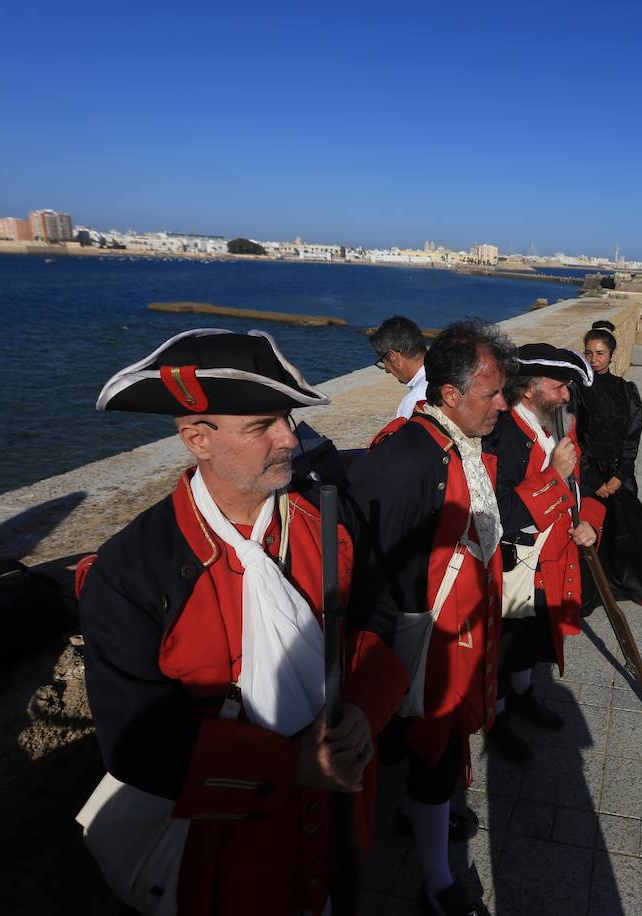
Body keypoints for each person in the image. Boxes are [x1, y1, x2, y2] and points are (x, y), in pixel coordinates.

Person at [78, 328, 406, 916]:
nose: (289, 437)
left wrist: (364, 710)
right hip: (225, 841)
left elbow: (377, 613)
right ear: (197, 439)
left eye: (286, 418)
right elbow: (134, 740)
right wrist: (293, 765)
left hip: (339, 813)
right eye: (262, 426)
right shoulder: (129, 570)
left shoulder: (328, 519)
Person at [344, 320, 514, 916]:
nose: (503, 404)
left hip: (457, 640)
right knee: (429, 754)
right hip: (421, 649)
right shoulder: (404, 460)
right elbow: (370, 573)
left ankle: (424, 818)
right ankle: (438, 882)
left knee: (436, 756)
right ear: (449, 395)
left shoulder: (456, 444)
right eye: (492, 393)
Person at [482, 344, 604, 764]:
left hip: (554, 558)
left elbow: (580, 486)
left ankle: (521, 697)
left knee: (530, 639)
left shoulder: (558, 423)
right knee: (502, 641)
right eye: (560, 386)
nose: (567, 395)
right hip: (514, 563)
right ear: (530, 390)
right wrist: (554, 475)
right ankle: (494, 717)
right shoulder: (500, 435)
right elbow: (501, 512)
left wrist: (589, 520)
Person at [576, 323, 642, 605]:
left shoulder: (626, 390)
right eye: (588, 353)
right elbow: (577, 438)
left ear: (612, 355)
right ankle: (590, 592)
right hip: (589, 472)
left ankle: (632, 587)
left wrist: (620, 474)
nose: (593, 359)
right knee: (591, 529)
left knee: (626, 528)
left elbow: (632, 435)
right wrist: (594, 479)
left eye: (599, 353)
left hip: (619, 473)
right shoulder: (576, 391)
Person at [369, 314, 429, 419]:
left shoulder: (415, 401)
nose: (386, 370)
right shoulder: (452, 374)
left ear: (394, 357)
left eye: (383, 361)